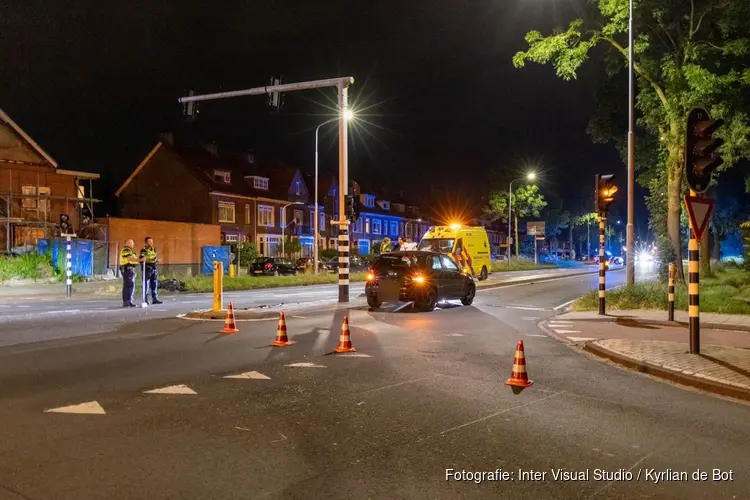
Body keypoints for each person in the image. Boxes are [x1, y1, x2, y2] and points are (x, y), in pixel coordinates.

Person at [139, 236, 162, 305]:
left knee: (154, 284)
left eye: (152, 242)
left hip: (154, 268)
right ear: (146, 242)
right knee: (146, 285)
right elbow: (143, 259)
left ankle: (155, 299)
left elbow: (154, 257)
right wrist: (152, 260)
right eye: (149, 242)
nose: (151, 243)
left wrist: (156, 260)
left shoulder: (153, 249)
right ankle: (145, 299)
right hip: (147, 269)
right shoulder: (143, 250)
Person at [119, 239, 139, 307]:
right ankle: (127, 301)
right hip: (127, 269)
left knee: (129, 285)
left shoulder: (131, 251)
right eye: (130, 242)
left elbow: (135, 260)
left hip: (130, 269)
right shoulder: (126, 250)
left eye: (132, 243)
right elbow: (130, 259)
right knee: (129, 285)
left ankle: (128, 301)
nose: (132, 244)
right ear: (125, 243)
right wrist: (140, 260)